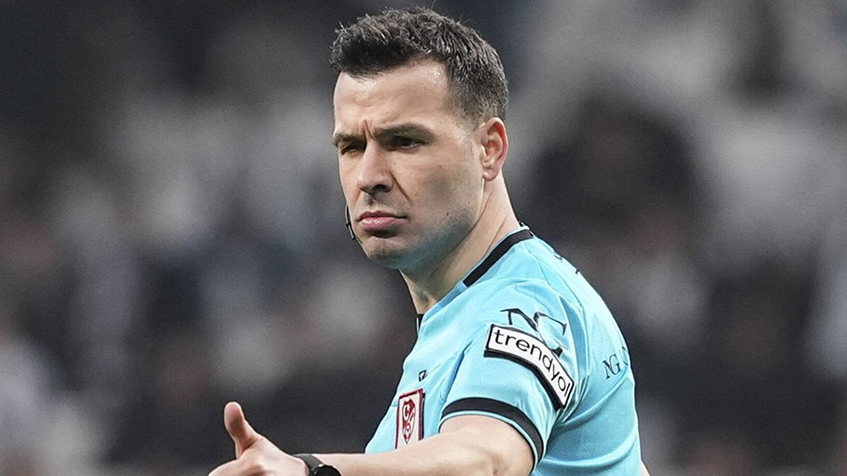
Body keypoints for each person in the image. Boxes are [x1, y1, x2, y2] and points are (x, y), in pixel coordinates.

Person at [209, 7, 648, 476]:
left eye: (404, 142)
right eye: (352, 147)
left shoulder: (526, 304)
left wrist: (311, 471)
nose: (369, 177)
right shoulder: (454, 323)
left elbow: (487, 459)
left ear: (489, 149)